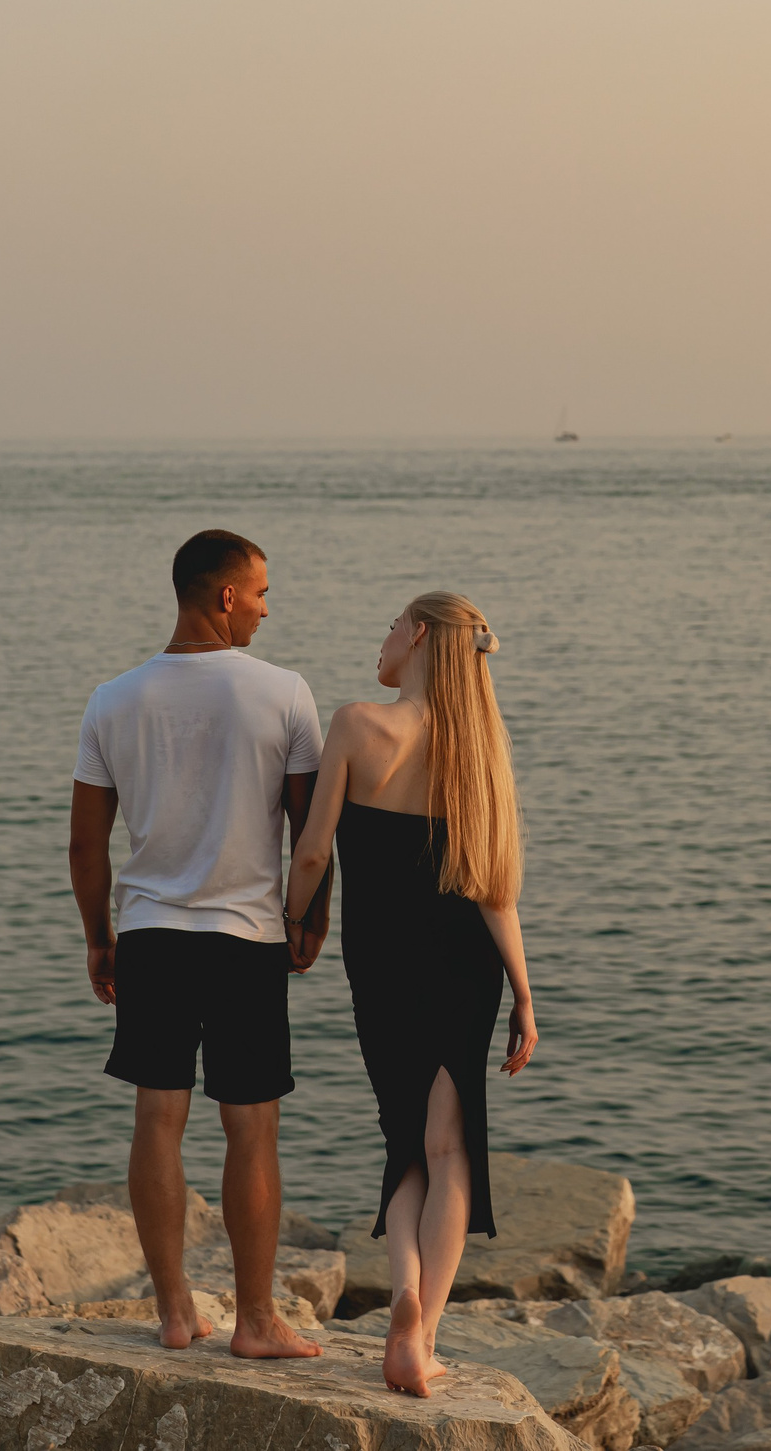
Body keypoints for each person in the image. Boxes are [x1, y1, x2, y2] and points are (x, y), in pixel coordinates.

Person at [68, 528, 327, 1360]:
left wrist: (98, 938)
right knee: (252, 1128)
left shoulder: (113, 697)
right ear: (223, 596)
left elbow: (84, 845)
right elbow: (312, 828)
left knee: (157, 1116)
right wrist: (309, 917)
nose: (263, 606)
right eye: (258, 591)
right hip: (246, 937)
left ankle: (175, 1310)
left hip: (149, 933)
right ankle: (256, 1320)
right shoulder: (284, 693)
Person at [286, 590, 539, 1396]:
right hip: (465, 964)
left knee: (404, 1142)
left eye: (390, 625)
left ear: (419, 633)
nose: (383, 638)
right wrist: (526, 999)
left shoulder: (358, 723)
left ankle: (399, 1295)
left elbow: (314, 852)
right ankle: (423, 1334)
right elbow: (497, 893)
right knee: (450, 1147)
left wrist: (297, 924)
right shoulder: (479, 751)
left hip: (379, 960)